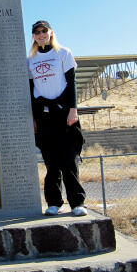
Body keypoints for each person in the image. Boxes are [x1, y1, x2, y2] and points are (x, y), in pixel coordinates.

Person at [28, 20, 87, 217]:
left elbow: (71, 83)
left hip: (64, 114)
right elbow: (30, 90)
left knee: (69, 160)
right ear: (33, 36)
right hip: (44, 116)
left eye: (44, 30)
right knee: (51, 163)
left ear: (51, 32)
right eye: (37, 32)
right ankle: (53, 202)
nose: (41, 34)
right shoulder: (30, 60)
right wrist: (34, 119)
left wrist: (73, 110)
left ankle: (77, 202)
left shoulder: (63, 53)